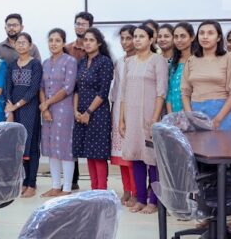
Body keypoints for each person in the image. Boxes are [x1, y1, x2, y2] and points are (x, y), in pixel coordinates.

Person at [119, 25, 168, 214]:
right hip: (131, 118)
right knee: (136, 157)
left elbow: (161, 92)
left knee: (152, 159)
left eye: (141, 36)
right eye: (135, 36)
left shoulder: (158, 60)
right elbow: (123, 93)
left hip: (150, 117)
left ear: (151, 39)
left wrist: (155, 118)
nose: (137, 40)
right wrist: (122, 120)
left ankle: (153, 201)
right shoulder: (129, 62)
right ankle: (140, 199)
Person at [182, 20, 231, 130]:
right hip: (196, 113)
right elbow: (185, 93)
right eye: (201, 33)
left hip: (221, 114)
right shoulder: (191, 60)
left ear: (218, 37)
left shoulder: (230, 58)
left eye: (210, 33)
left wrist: (217, 120)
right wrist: (191, 117)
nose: (205, 37)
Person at [72, 28, 114, 190]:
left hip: (98, 113)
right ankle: (93, 190)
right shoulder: (82, 62)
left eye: (91, 40)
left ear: (99, 43)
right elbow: (76, 89)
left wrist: (88, 112)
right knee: (89, 153)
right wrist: (76, 111)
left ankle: (101, 191)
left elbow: (103, 92)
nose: (88, 43)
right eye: (86, 40)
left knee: (98, 154)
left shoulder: (105, 62)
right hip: (81, 113)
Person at [39, 28, 78, 198]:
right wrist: (45, 108)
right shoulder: (46, 63)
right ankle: (55, 186)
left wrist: (46, 104)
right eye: (51, 40)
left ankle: (67, 188)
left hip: (64, 110)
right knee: (51, 147)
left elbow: (68, 87)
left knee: (65, 148)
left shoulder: (70, 61)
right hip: (47, 110)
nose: (53, 44)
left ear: (63, 43)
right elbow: (41, 87)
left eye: (57, 40)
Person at [4, 32, 43, 198]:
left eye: (24, 42)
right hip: (14, 110)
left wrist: (17, 105)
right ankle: (24, 182)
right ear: (14, 45)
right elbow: (8, 87)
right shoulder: (12, 65)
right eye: (18, 43)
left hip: (30, 110)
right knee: (19, 147)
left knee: (31, 146)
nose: (20, 45)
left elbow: (33, 89)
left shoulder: (35, 65)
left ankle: (32, 183)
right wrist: (10, 108)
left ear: (30, 45)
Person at [64, 11, 93, 191]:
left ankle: (97, 184)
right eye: (77, 23)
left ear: (90, 26)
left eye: (83, 24)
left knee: (92, 140)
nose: (80, 27)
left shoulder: (96, 48)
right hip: (68, 99)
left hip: (90, 99)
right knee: (70, 139)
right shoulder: (67, 48)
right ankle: (72, 179)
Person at [110, 25, 137, 206]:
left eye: (129, 38)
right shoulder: (119, 62)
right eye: (123, 38)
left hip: (134, 110)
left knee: (132, 155)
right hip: (118, 109)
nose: (125, 42)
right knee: (121, 155)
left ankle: (136, 191)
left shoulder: (140, 61)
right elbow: (116, 89)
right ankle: (126, 189)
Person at [166, 22, 195, 113]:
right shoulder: (173, 63)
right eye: (176, 37)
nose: (179, 40)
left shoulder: (197, 61)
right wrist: (171, 114)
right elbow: (170, 91)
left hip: (193, 112)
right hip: (174, 113)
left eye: (183, 36)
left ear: (192, 37)